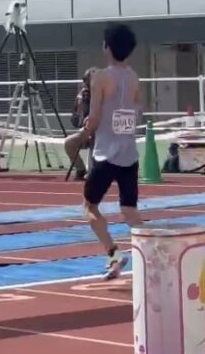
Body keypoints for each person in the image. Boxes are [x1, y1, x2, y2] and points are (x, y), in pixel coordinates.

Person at [80, 24, 145, 280]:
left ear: (106, 47)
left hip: (105, 153)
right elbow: (138, 111)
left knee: (90, 206)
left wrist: (87, 129)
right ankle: (154, 252)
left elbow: (94, 115)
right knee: (129, 210)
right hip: (129, 153)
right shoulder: (134, 77)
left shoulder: (100, 77)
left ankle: (113, 253)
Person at [64, 69, 96, 181]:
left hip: (102, 133)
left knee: (93, 176)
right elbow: (75, 121)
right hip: (86, 131)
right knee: (69, 143)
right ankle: (80, 168)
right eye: (87, 81)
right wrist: (80, 111)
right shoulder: (82, 96)